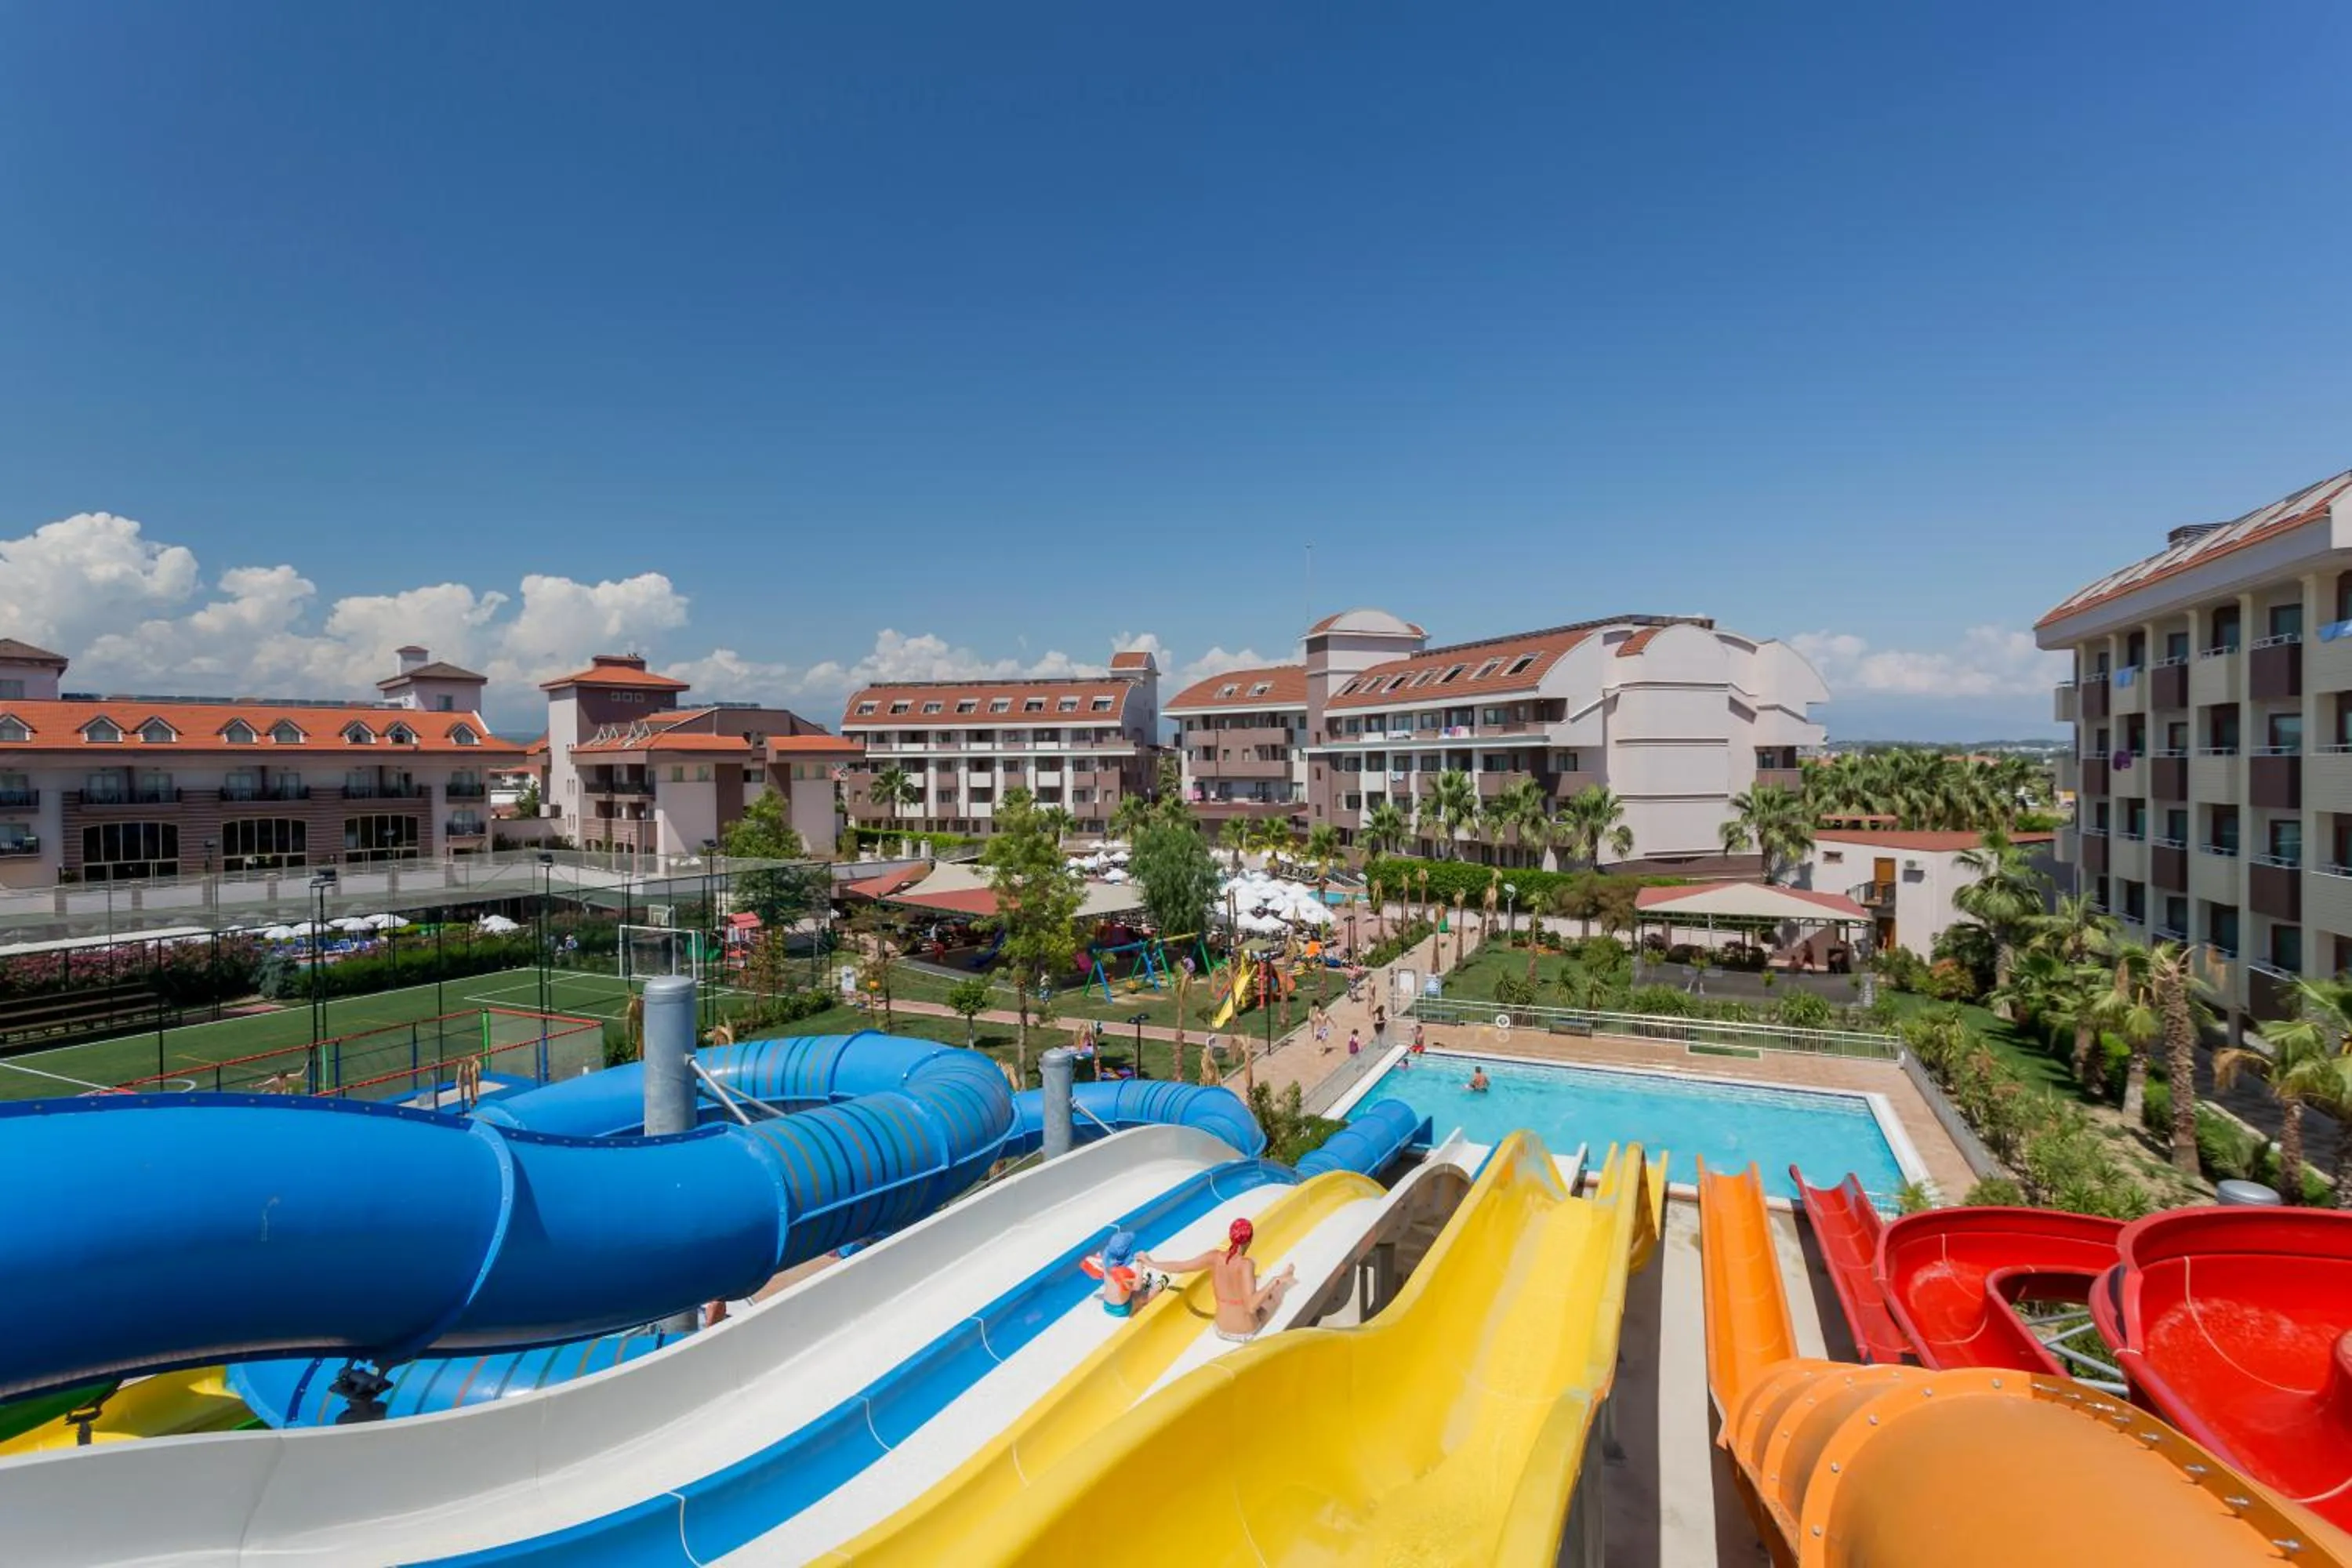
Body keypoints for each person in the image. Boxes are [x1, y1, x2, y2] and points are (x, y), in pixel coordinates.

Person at [1144, 1218, 1294, 1342]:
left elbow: (1181, 1267)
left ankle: (1274, 1281)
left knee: (1256, 1290)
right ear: (1249, 1241)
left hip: (1220, 1329)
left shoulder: (1214, 1257)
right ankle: (1283, 1278)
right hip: (1245, 1332)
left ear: (1231, 1237)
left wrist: (1151, 1263)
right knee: (1273, 1295)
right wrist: (1275, 1281)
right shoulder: (1246, 1264)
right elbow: (1250, 1307)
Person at [1085, 1230, 1160, 1317]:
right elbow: (1137, 1287)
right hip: (1122, 1309)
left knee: (1125, 1286)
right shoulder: (1123, 1273)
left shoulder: (1105, 1262)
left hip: (1107, 1306)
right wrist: (1139, 1265)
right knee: (1146, 1295)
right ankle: (1136, 1311)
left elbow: (1091, 1261)